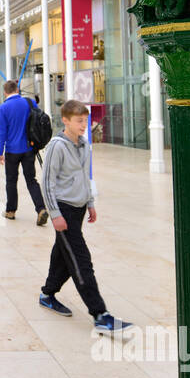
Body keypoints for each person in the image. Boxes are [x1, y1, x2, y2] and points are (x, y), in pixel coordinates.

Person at [39, 101, 133, 335]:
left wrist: (90, 203)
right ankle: (100, 315)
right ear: (66, 121)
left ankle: (47, 294)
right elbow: (46, 183)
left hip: (79, 208)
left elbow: (85, 176)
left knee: (63, 255)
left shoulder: (83, 146)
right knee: (81, 260)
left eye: (85, 120)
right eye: (79, 121)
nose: (84, 125)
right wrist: (55, 214)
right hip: (64, 210)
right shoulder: (56, 147)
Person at [0, 80, 48, 225]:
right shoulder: (30, 103)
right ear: (17, 90)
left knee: (11, 181)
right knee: (31, 180)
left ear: (5, 92)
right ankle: (41, 209)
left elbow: (1, 133)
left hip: (12, 151)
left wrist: (0, 152)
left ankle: (11, 211)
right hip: (29, 148)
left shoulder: (3, 108)